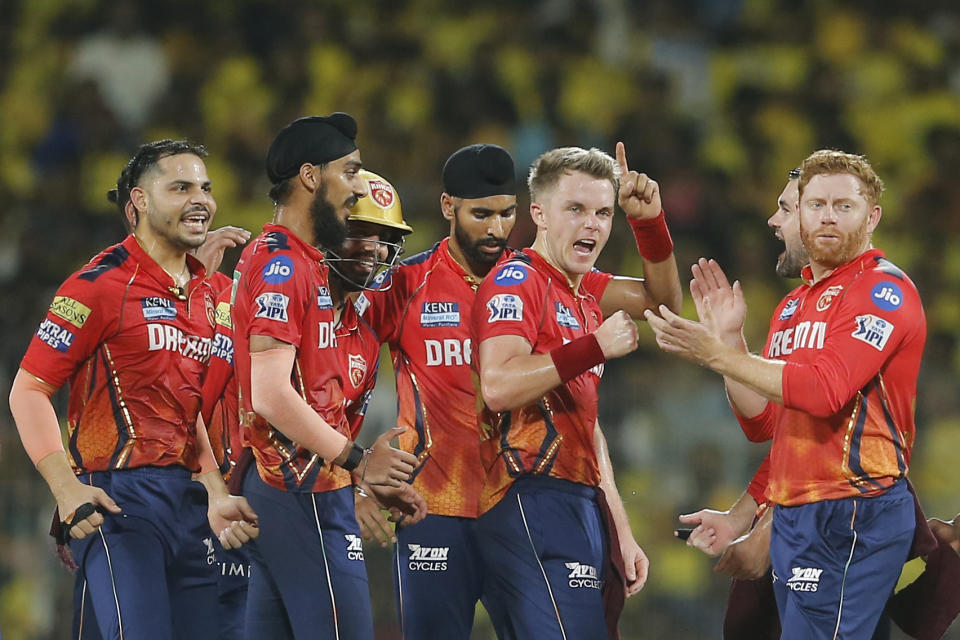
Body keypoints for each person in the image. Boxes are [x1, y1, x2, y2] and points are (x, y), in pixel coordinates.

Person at [357, 142, 680, 638]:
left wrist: (617, 519)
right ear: (449, 207)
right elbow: (343, 366)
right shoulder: (408, 285)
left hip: (515, 499)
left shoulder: (553, 281)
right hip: (435, 506)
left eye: (505, 214)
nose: (495, 229)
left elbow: (658, 306)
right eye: (481, 214)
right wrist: (355, 470)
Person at [647, 149, 924, 639]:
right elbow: (770, 427)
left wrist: (716, 355)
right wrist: (731, 343)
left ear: (873, 215)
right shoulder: (793, 307)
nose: (827, 218)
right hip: (799, 513)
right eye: (816, 205)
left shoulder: (884, 290)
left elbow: (822, 392)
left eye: (844, 205)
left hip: (854, 508)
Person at [9, 139, 259, 640]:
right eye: (181, 187)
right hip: (120, 501)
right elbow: (28, 390)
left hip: (191, 506)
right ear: (140, 202)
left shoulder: (209, 292)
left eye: (206, 188)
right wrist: (65, 489)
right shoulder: (98, 285)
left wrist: (213, 490)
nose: (202, 200)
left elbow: (186, 408)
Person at [469, 144, 680, 639]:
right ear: (539, 214)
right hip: (528, 493)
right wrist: (593, 348)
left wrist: (648, 223)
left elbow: (665, 304)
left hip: (580, 501)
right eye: (576, 209)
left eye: (604, 213)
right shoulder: (516, 281)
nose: (593, 225)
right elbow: (498, 386)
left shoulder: (583, 290)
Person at [230, 113, 422, 639]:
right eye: (352, 171)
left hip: (296, 485)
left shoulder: (308, 269)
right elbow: (269, 393)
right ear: (312, 177)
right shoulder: (286, 266)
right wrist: (360, 464)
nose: (359, 185)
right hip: (300, 487)